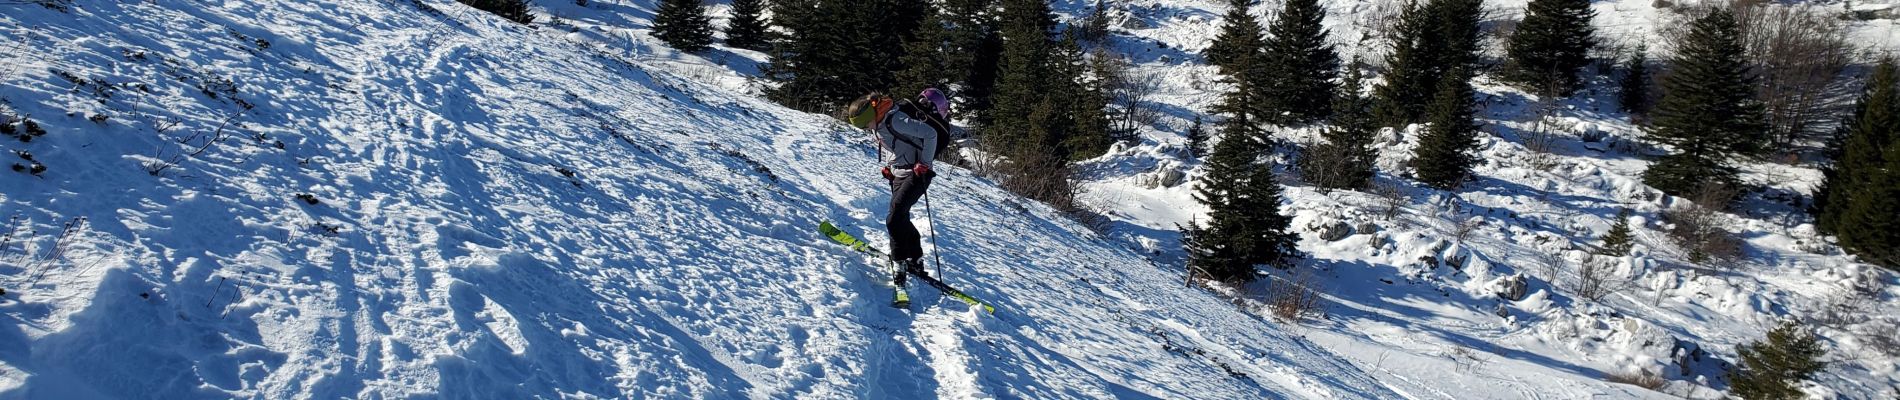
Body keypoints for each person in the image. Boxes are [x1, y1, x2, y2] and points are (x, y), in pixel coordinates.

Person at [845, 89, 952, 287]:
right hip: (899, 173)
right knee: (900, 217)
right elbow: (894, 144)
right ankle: (916, 259)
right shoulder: (877, 122)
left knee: (894, 218)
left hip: (918, 173)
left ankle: (899, 261)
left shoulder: (895, 119)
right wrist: (890, 167)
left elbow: (930, 134)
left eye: (865, 125)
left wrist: (925, 164)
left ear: (871, 116)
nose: (866, 129)